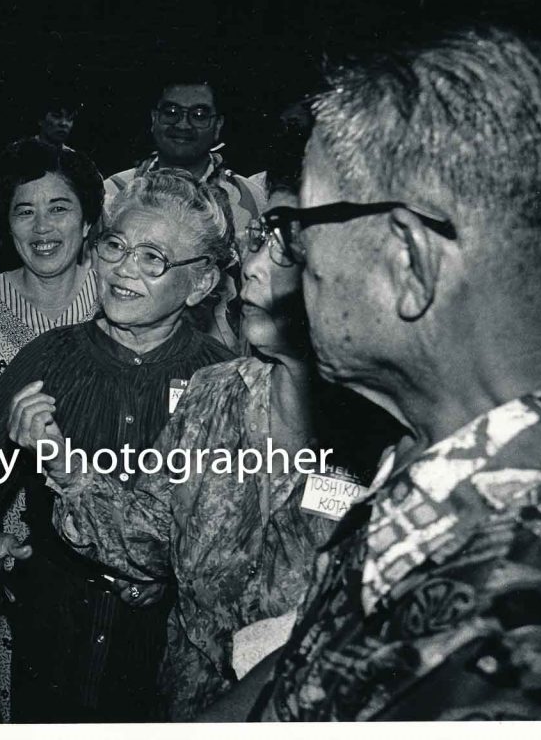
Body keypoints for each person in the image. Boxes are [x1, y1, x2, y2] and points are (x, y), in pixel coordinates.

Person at [224, 25, 541, 721]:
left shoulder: (515, 644)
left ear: (408, 262)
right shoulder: (472, 444)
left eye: (299, 227)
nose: (295, 261)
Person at [37, 217, 357, 719]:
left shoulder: (387, 437)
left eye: (284, 255)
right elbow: (152, 536)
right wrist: (65, 465)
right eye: (258, 246)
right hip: (187, 703)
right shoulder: (212, 393)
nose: (251, 269)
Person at [0, 171, 237, 721]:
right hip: (53, 644)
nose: (124, 269)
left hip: (163, 665)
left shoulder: (222, 381)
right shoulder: (50, 359)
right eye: (115, 245)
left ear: (201, 284)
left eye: (153, 257)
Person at [0, 138, 104, 721]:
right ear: (3, 223)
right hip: (8, 548)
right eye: (24, 210)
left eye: (59, 208)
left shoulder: (121, 302)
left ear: (89, 220)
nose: (42, 227)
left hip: (107, 540)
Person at [104, 79, 268, 352]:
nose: (182, 124)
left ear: (218, 126)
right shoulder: (115, 193)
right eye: (171, 112)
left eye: (199, 115)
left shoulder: (249, 198)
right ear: (154, 119)